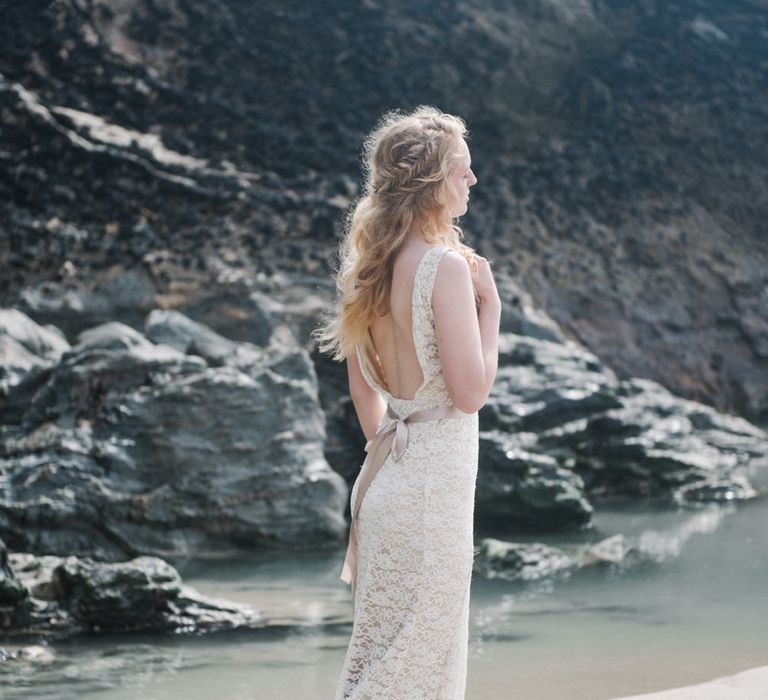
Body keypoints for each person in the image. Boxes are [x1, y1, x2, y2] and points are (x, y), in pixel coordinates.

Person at [312, 105, 501, 699]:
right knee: (419, 663)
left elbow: (364, 389)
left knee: (382, 655)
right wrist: (491, 309)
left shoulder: (368, 268)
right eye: (463, 172)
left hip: (388, 485)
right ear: (432, 184)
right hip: (431, 493)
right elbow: (470, 394)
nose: (472, 181)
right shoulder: (444, 267)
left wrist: (389, 447)